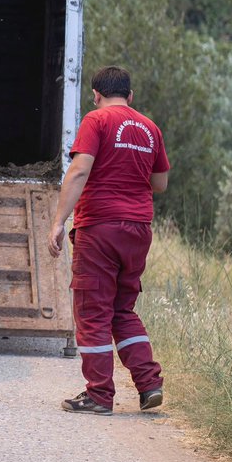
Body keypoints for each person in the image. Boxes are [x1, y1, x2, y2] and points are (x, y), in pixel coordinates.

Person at [47, 66, 170, 416]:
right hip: (138, 230)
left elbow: (79, 170)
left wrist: (58, 222)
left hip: (100, 227)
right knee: (121, 309)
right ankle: (149, 384)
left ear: (96, 95)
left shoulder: (96, 120)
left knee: (92, 310)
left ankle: (99, 394)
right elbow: (160, 184)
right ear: (130, 96)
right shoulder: (150, 128)